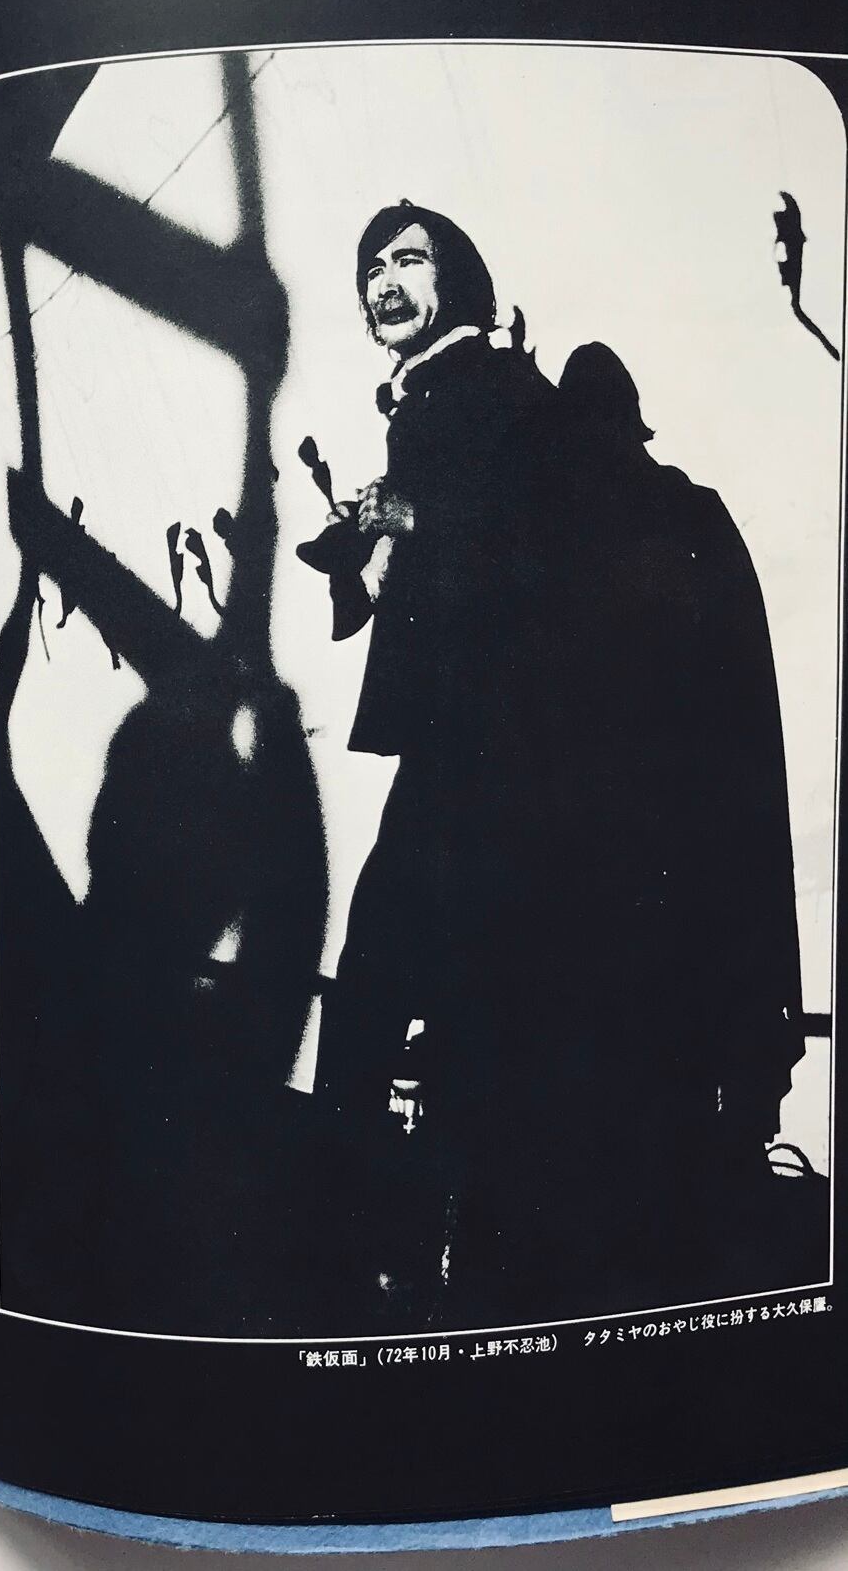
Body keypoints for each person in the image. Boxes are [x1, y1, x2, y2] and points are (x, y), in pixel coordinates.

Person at [307, 203, 805, 1325]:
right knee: (409, 977)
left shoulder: (490, 387)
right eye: (372, 264)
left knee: (398, 975)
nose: (385, 278)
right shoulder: (433, 395)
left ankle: (363, 1234)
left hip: (492, 751)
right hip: (463, 740)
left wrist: (412, 515)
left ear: (459, 278)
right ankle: (397, 1230)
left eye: (410, 258)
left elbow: (539, 535)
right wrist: (370, 552)